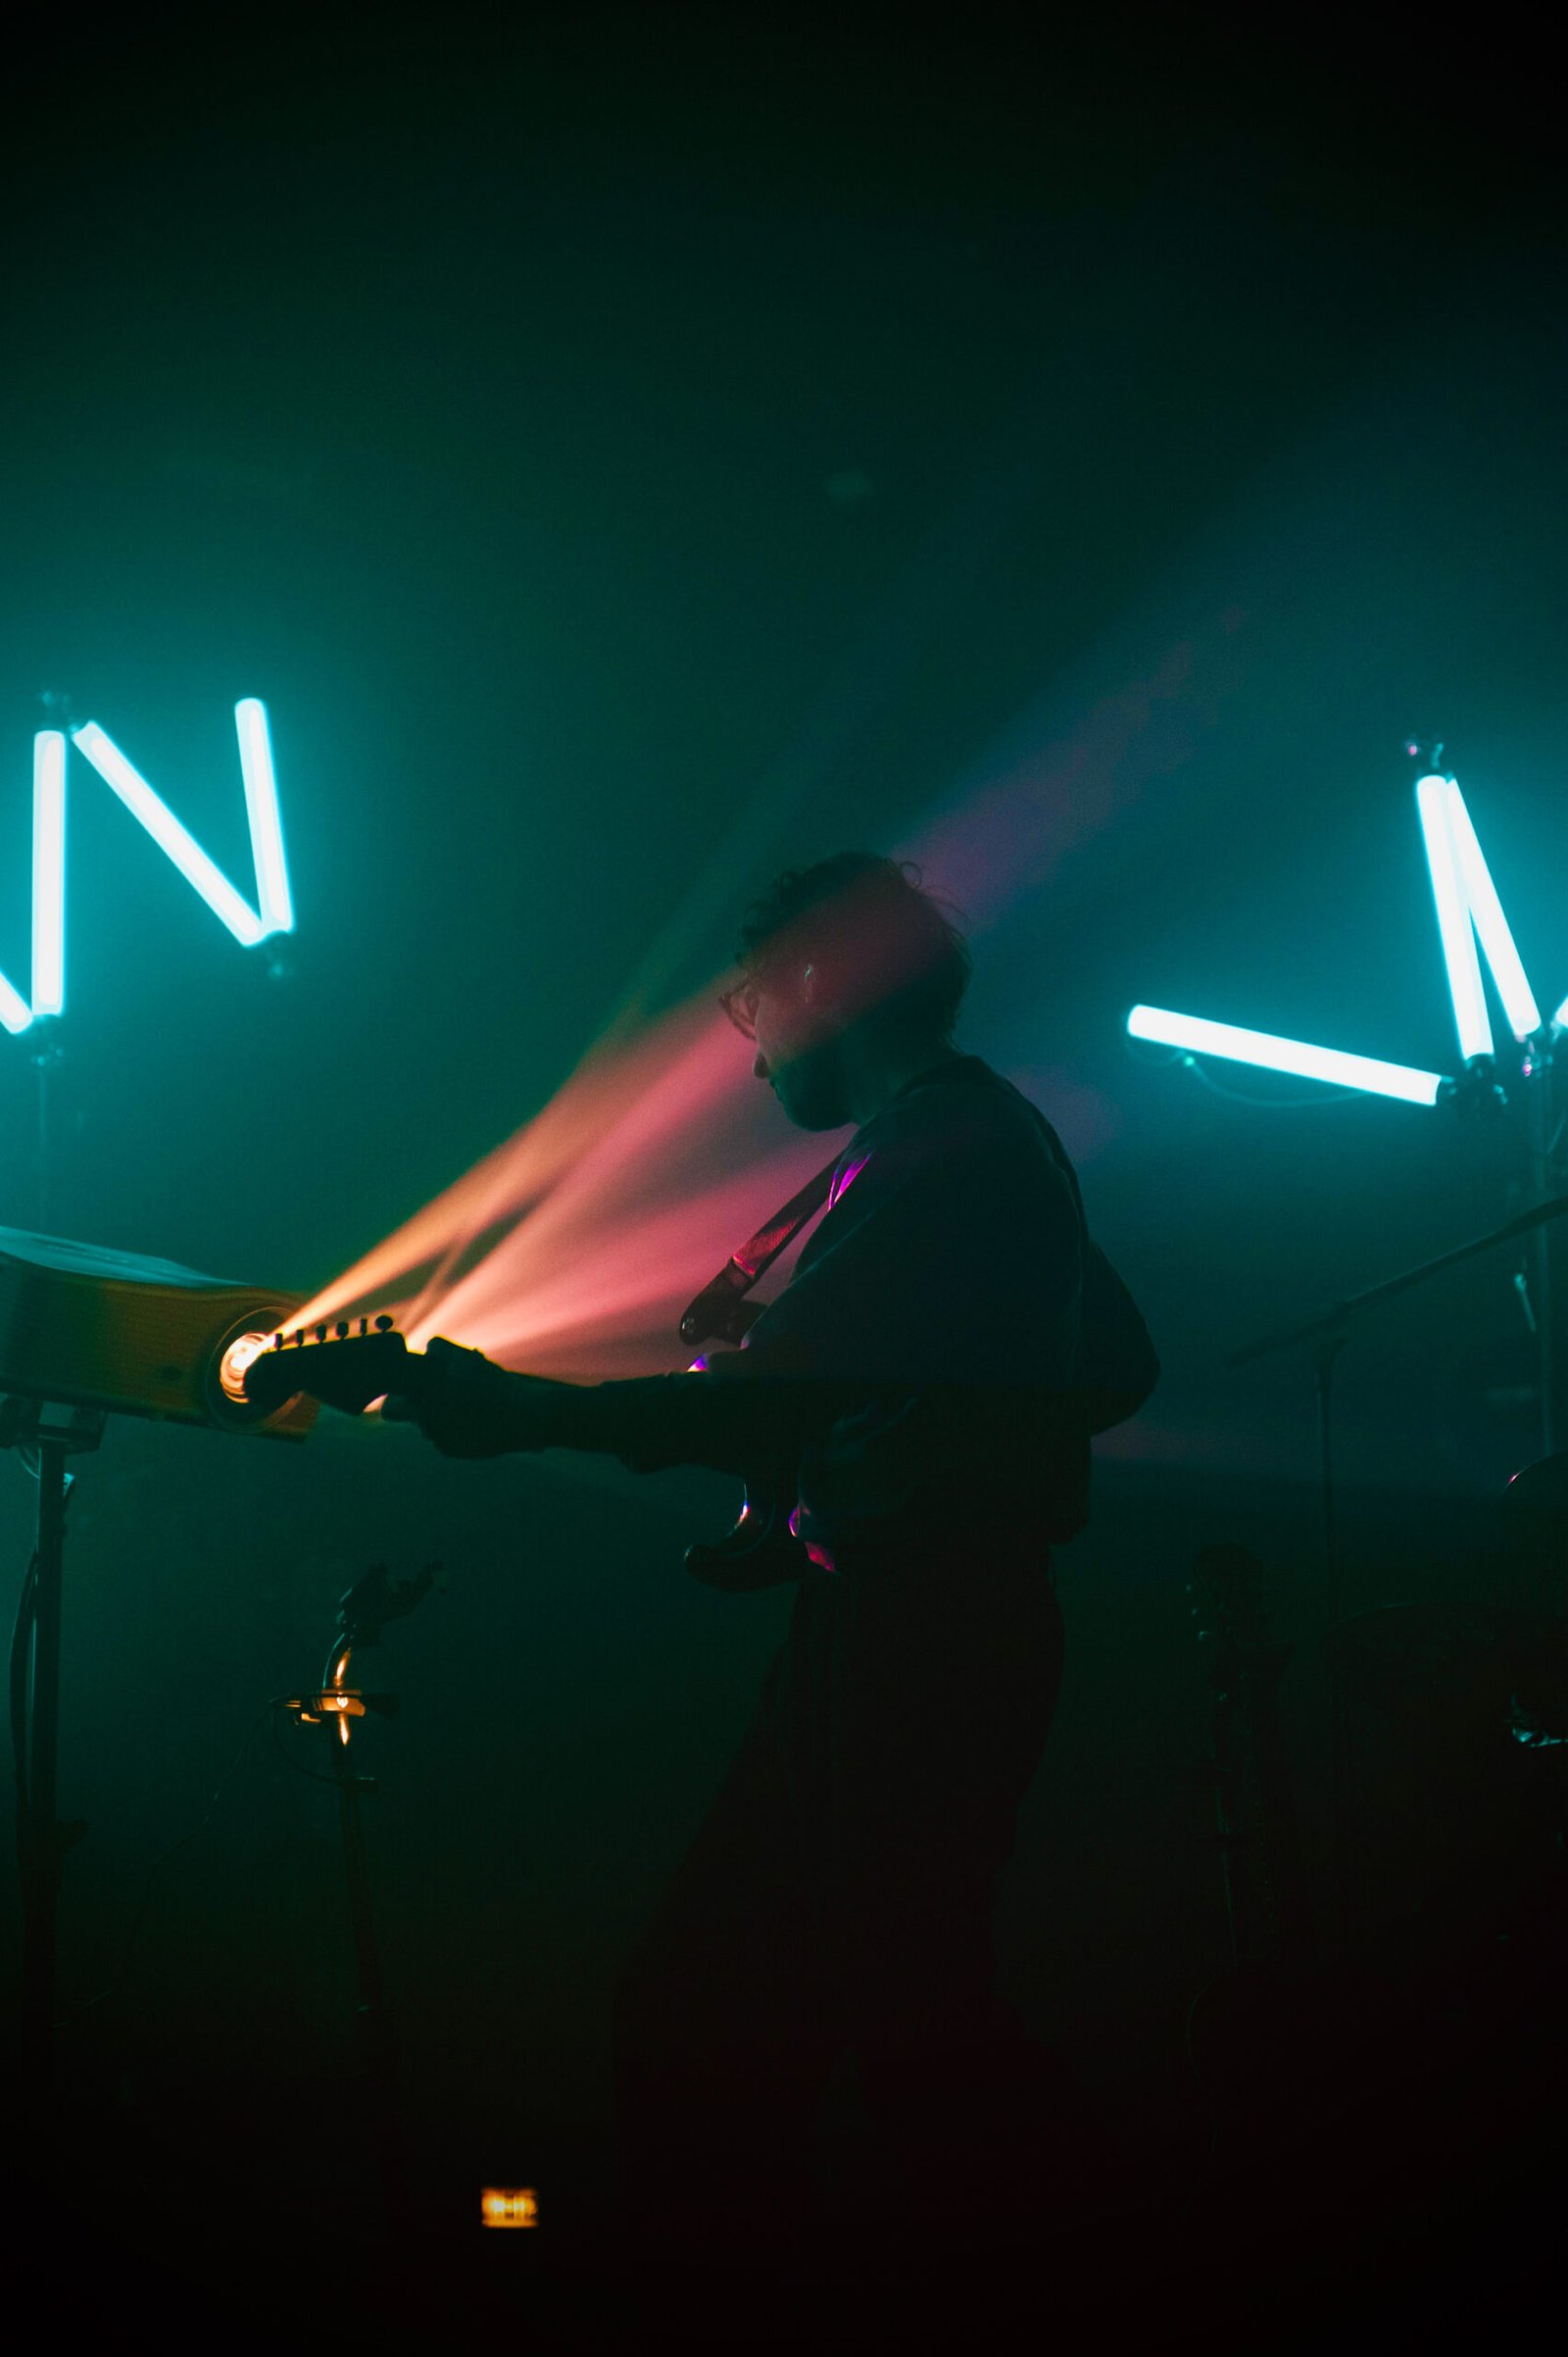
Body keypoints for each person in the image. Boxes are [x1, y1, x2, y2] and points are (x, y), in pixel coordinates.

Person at [380, 854, 1159, 2319]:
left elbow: (774, 1396)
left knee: (803, 2022)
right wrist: (924, 1432)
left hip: (916, 1626)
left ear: (816, 981)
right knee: (832, 2012)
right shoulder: (981, 1134)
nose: (750, 1048)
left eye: (753, 1003)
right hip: (922, 1612)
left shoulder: (939, 1150)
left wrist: (521, 1410)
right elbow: (1118, 1363)